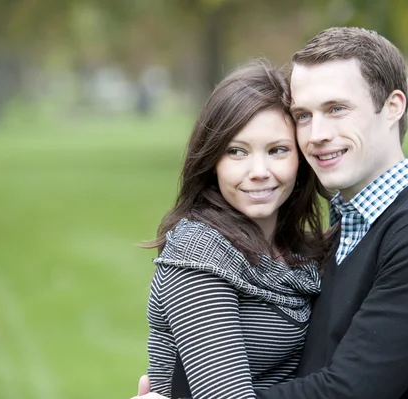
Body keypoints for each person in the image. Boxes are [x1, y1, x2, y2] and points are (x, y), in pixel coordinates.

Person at [132, 26, 408, 399]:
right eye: (304, 115)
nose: (317, 134)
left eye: (336, 109)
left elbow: (347, 390)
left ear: (393, 106)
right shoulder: (348, 228)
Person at [142, 60, 334, 399]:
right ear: (212, 160)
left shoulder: (301, 251)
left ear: (301, 158)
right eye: (236, 152)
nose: (258, 171)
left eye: (277, 150)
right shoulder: (199, 253)